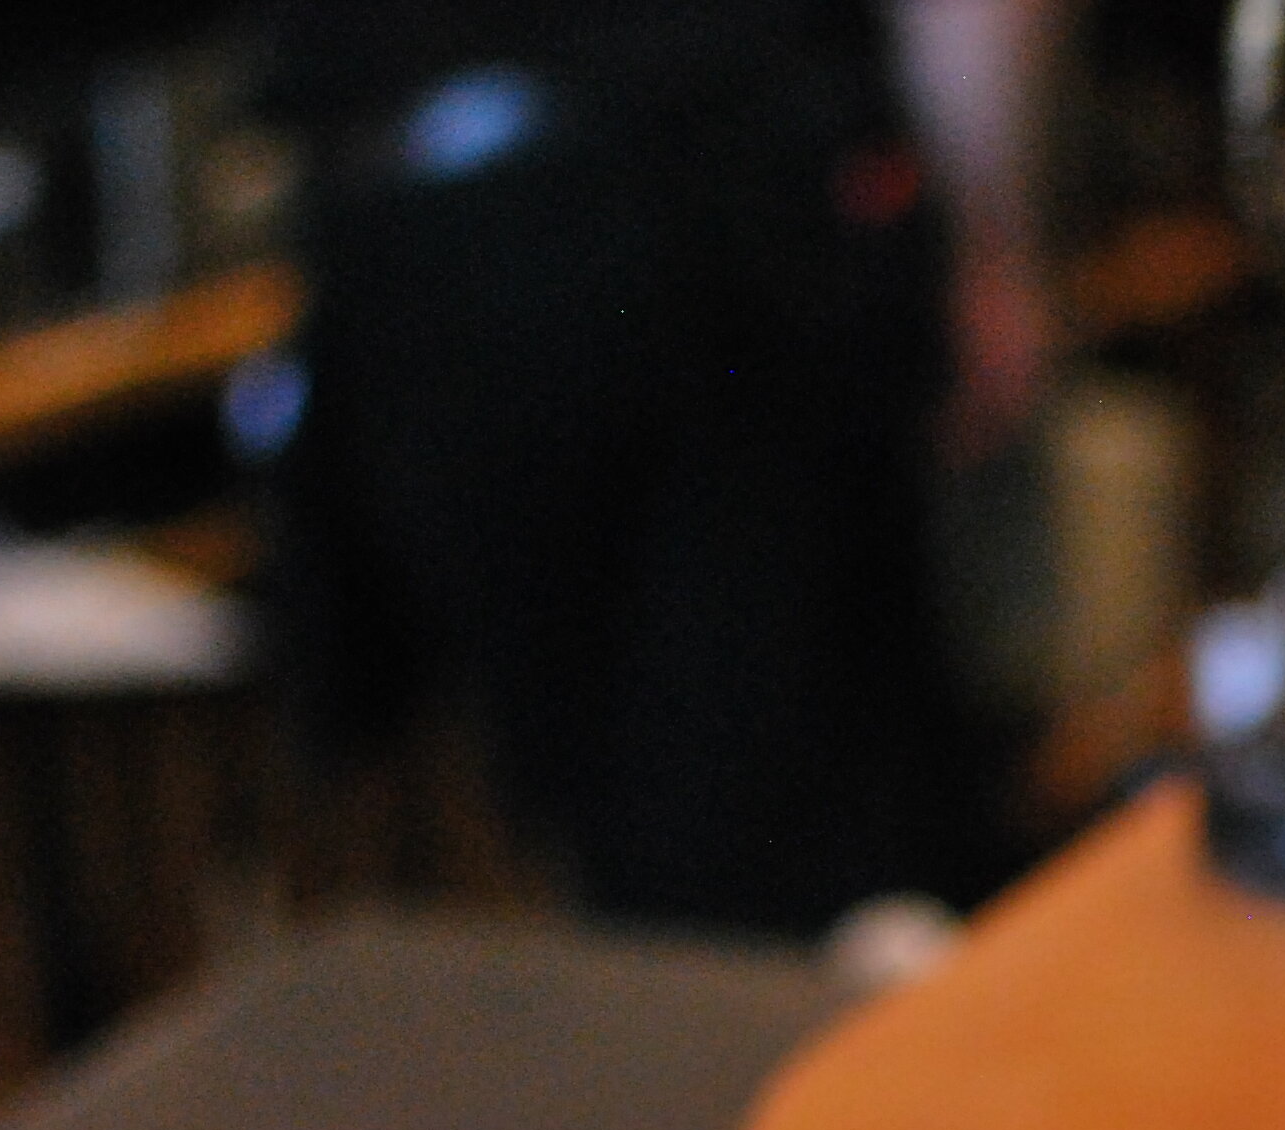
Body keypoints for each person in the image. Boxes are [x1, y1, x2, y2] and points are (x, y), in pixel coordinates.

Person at [267, 0, 1060, 938]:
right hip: (708, 204)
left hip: (419, 234)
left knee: (646, 864)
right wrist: (994, 246)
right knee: (825, 858)